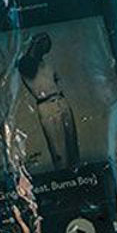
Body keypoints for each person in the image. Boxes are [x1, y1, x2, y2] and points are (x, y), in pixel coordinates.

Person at [16, 32, 79, 169]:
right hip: (46, 105)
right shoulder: (25, 63)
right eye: (42, 44)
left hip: (61, 101)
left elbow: (56, 80)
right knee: (59, 148)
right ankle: (64, 178)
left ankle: (77, 174)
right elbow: (29, 70)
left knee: (72, 146)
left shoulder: (46, 64)